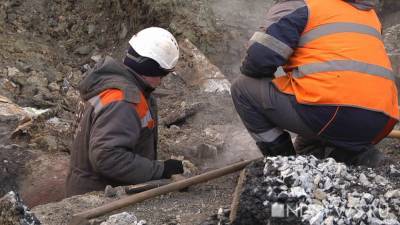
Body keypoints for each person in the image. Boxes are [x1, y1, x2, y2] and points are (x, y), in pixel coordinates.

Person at [231, 0, 399, 167]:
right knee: (306, 148)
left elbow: (258, 60)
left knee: (242, 88)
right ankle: (359, 155)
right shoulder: (368, 14)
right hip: (382, 121)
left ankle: (284, 165)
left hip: (334, 110)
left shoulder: (300, 4)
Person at [66, 27, 184, 196]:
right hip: (99, 197)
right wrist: (160, 169)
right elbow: (107, 157)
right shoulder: (123, 101)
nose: (160, 81)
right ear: (150, 68)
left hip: (85, 186)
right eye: (161, 74)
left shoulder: (106, 83)